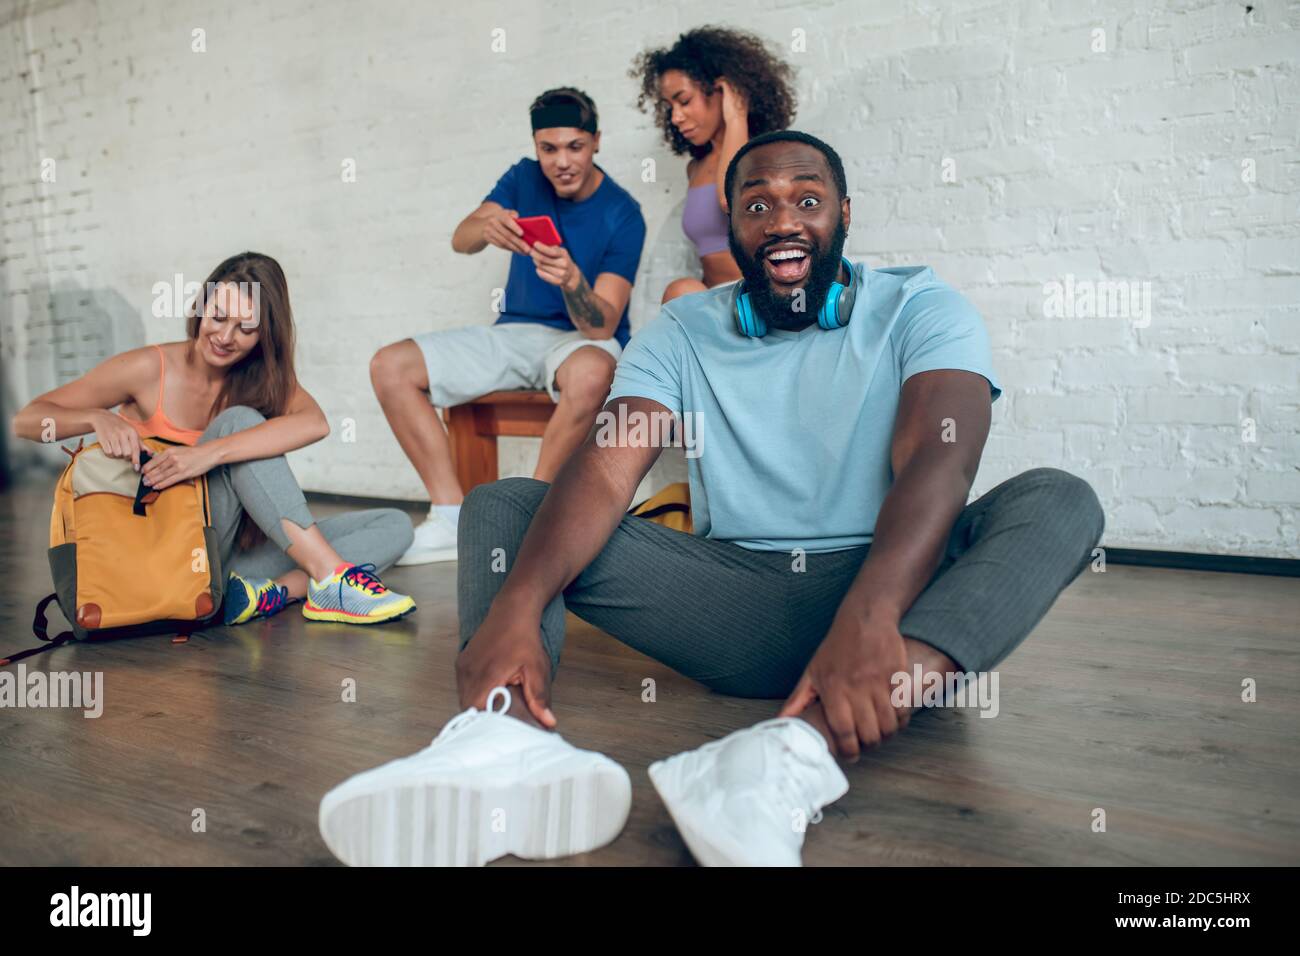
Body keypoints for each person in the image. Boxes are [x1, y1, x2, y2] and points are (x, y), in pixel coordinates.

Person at [318, 131, 1105, 867]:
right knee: (503, 506)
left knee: (1058, 498)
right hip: (738, 604)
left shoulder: (919, 305)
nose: (783, 218)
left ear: (844, 215)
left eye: (807, 198)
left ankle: (787, 753)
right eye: (758, 204)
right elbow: (606, 469)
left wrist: (869, 614)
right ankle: (500, 743)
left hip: (893, 613)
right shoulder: (684, 328)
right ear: (731, 226)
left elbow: (939, 456)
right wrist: (519, 602)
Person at [12, 252, 416, 627]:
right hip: (161, 552)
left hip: (224, 554)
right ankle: (329, 580)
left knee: (395, 524)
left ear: (265, 335)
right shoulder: (146, 368)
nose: (225, 336)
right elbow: (27, 421)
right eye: (217, 317)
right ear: (201, 307)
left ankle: (279, 592)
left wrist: (207, 454)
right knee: (240, 421)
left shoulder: (261, 376)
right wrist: (96, 418)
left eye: (245, 328)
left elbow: (315, 424)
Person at [370, 87, 648, 565]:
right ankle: (451, 514)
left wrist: (573, 280)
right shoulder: (522, 177)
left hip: (579, 341)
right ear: (536, 145)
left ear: (597, 141)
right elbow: (462, 240)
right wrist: (487, 227)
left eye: (575, 146)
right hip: (513, 334)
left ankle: (529, 518)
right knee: (390, 366)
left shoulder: (623, 213)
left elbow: (602, 326)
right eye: (549, 148)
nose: (561, 161)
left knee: (593, 373)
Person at [630, 26, 796, 303]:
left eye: (684, 101)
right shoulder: (695, 167)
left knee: (682, 292)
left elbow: (729, 200)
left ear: (722, 91)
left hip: (762, 299)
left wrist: (737, 118)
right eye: (670, 107)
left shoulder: (766, 154)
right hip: (712, 301)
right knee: (681, 291)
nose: (676, 117)